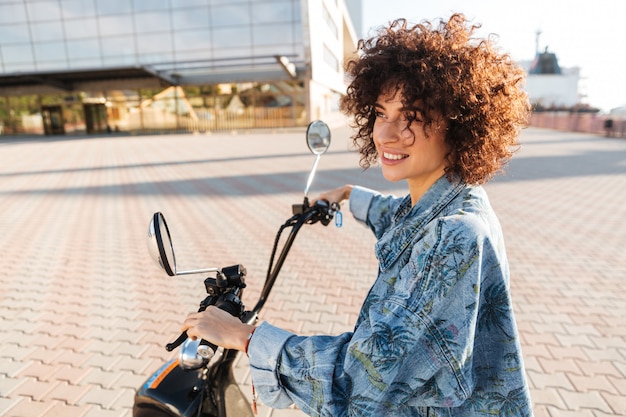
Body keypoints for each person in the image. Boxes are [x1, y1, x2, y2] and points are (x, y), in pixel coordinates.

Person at [182, 14, 533, 416]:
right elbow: (401, 219)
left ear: (459, 125)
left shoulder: (454, 236)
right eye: (382, 113)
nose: (385, 134)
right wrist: (349, 195)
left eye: (412, 117)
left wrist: (247, 337)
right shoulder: (455, 200)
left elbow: (362, 382)